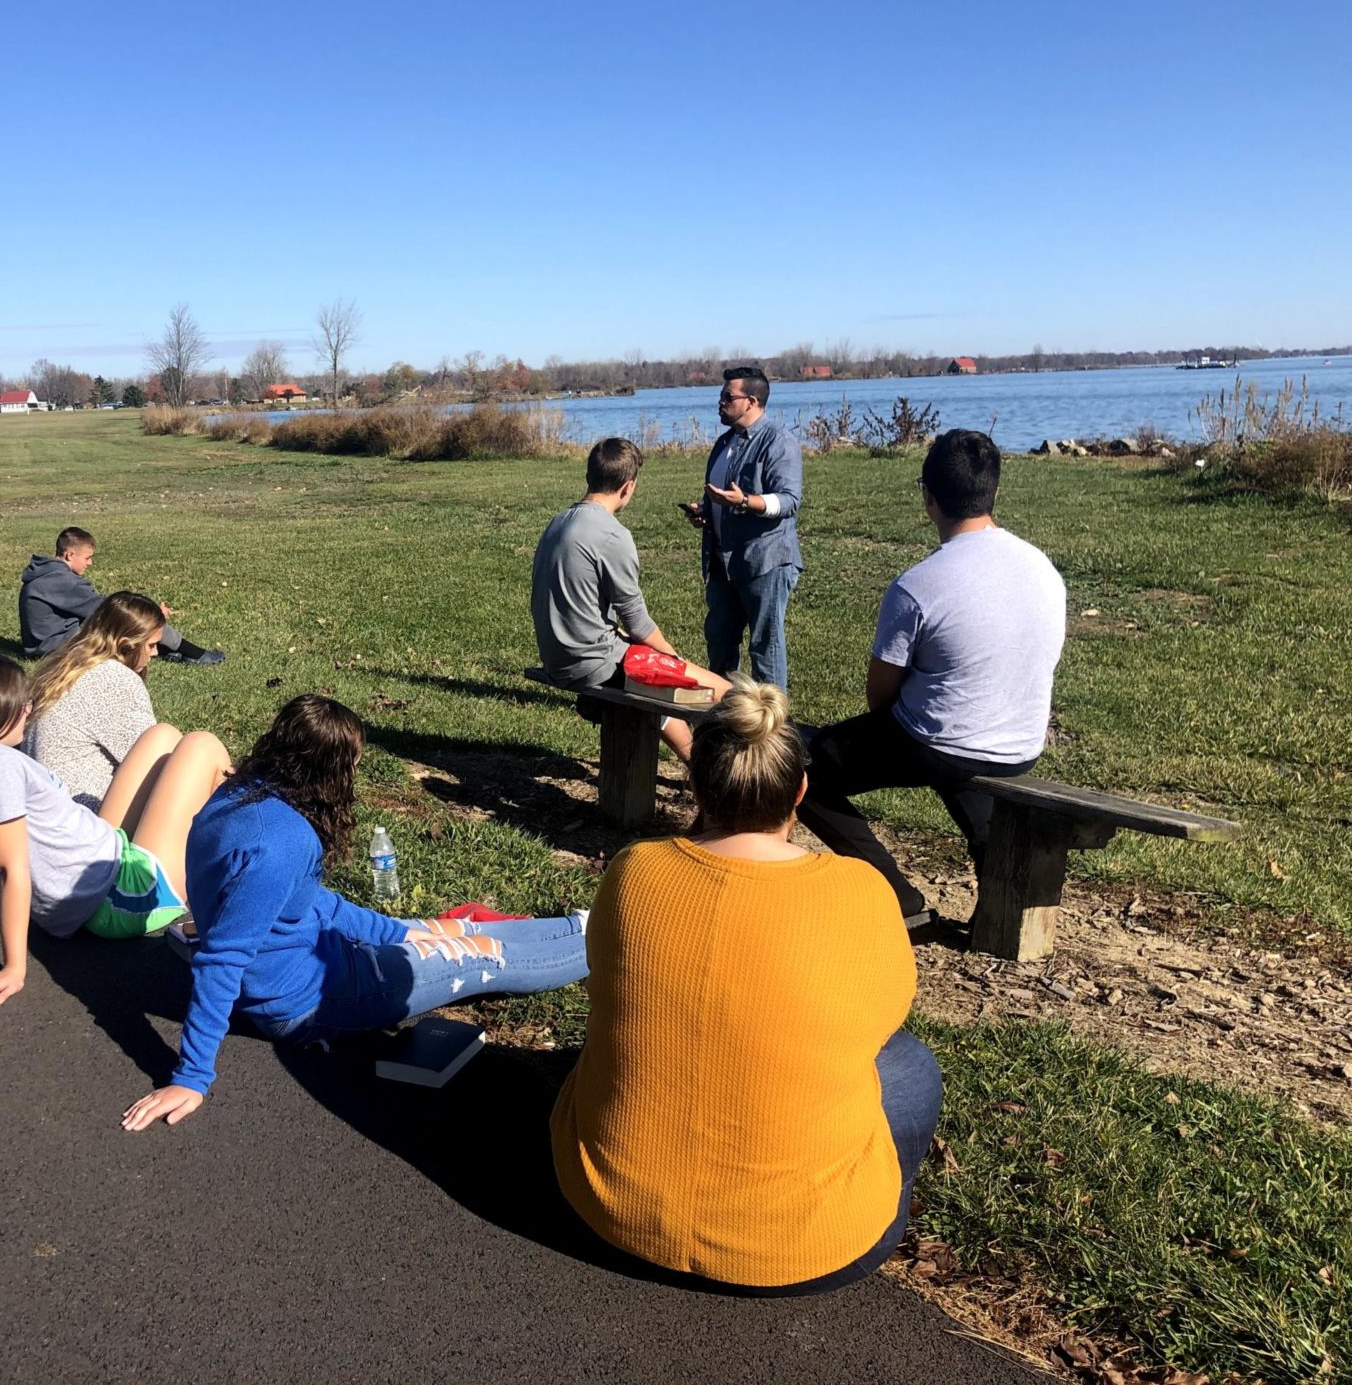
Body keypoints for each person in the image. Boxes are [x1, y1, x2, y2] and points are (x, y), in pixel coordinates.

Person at [551, 680, 940, 1295]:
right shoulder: (863, 889)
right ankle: (874, 1200)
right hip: (809, 1256)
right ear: (801, 791)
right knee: (909, 1066)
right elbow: (881, 1022)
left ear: (697, 784)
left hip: (607, 1216)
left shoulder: (633, 871)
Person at [121, 695, 592, 1131]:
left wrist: (400, 933)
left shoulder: (239, 796)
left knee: (455, 928)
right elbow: (222, 960)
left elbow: (307, 903)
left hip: (318, 955)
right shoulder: (280, 842)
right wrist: (192, 1076)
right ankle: (605, 945)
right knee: (480, 954)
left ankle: (581, 925)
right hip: (308, 1002)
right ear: (332, 769)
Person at [796, 429, 1067, 925]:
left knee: (797, 767)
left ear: (928, 497)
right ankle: (1002, 906)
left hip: (939, 741)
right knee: (957, 753)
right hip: (1020, 742)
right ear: (994, 490)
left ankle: (897, 896)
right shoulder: (1043, 567)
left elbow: (880, 696)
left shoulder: (918, 585)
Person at [0, 652, 233, 1006]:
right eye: (20, 704)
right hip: (126, 897)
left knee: (162, 736)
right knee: (202, 745)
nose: (28, 709)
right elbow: (12, 869)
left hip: (98, 861)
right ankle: (244, 882)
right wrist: (13, 968)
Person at [530, 437, 728, 760]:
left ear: (589, 477)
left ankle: (697, 766)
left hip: (558, 656)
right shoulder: (612, 536)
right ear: (628, 487)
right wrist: (674, 659)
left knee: (659, 695)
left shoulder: (558, 522)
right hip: (592, 664)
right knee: (725, 693)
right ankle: (731, 774)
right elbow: (638, 623)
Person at [684, 366, 803, 689]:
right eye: (721, 395)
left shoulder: (778, 442)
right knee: (719, 640)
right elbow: (719, 496)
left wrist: (746, 501)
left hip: (764, 561)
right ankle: (726, 710)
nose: (720, 402)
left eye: (728, 396)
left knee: (765, 646)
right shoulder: (724, 443)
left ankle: (772, 716)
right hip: (723, 563)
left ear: (751, 401)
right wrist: (704, 512)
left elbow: (789, 500)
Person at [24, 591, 174, 810]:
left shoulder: (65, 667)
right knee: (179, 747)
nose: (156, 653)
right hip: (85, 814)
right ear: (126, 645)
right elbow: (157, 762)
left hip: (42, 809)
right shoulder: (113, 679)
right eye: (151, 645)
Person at [19, 525, 226, 664]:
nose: (90, 563)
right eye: (87, 557)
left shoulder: (47, 573)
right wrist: (151, 613)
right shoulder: (60, 580)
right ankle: (195, 654)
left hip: (46, 644)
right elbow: (106, 608)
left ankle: (161, 649)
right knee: (133, 618)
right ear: (70, 554)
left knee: (125, 621)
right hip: (55, 648)